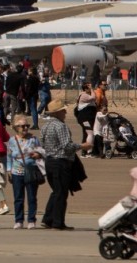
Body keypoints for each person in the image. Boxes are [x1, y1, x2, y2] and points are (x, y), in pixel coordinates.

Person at [40, 99, 91, 230]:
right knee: (61, 193)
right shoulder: (60, 126)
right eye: (63, 110)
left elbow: (43, 144)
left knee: (56, 192)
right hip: (60, 162)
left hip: (49, 161)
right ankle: (57, 222)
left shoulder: (45, 126)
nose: (65, 112)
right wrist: (82, 145)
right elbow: (67, 146)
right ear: (57, 113)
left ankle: (48, 219)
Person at [5, 114, 44, 229]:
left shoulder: (33, 139)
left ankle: (31, 220)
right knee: (18, 198)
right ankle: (19, 220)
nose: (26, 128)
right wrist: (8, 169)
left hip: (31, 171)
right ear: (16, 127)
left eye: (27, 126)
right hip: (17, 172)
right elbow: (9, 156)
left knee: (32, 197)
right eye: (23, 126)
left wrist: (37, 154)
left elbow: (41, 151)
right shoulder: (12, 140)